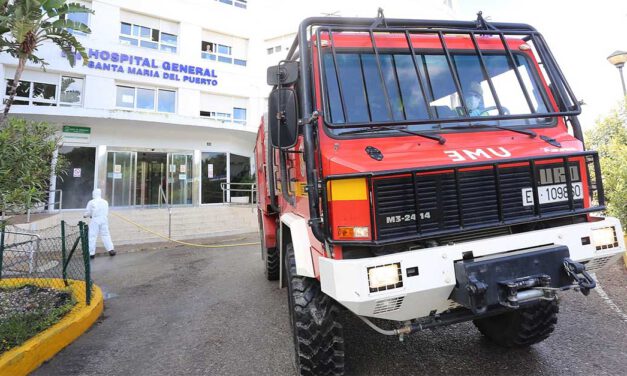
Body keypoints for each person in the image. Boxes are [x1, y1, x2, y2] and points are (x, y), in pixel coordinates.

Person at [84, 188, 116, 259]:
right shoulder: (105, 202)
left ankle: (91, 253)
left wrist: (85, 215)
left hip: (95, 220)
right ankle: (111, 250)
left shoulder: (91, 202)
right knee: (106, 235)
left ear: (94, 194)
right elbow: (106, 212)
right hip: (104, 220)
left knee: (92, 236)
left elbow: (88, 213)